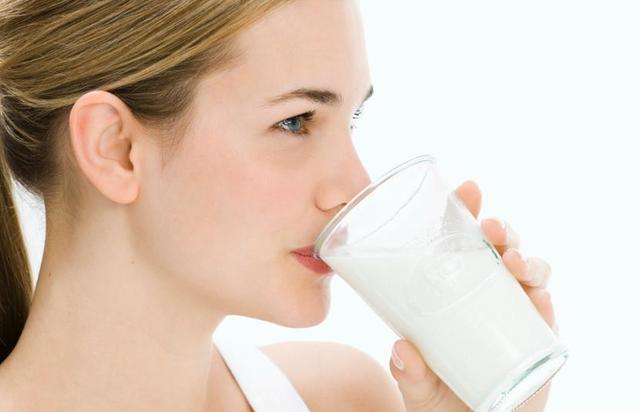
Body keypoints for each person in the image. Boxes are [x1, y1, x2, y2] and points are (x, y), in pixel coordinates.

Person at [0, 0, 559, 410]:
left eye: (351, 120)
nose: (355, 187)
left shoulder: (346, 400)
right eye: (295, 122)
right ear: (115, 148)